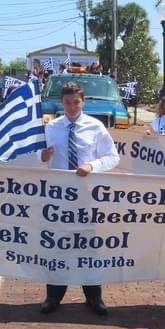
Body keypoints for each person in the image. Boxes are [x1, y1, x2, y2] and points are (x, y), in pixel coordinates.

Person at [38, 82, 120, 316]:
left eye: (75, 102)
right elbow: (38, 158)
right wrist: (41, 155)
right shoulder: (51, 127)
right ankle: (53, 296)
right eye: (67, 102)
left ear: (83, 101)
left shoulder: (96, 127)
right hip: (59, 196)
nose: (72, 107)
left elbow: (112, 157)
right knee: (57, 246)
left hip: (87, 196)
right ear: (61, 103)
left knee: (87, 247)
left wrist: (92, 165)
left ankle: (94, 297)